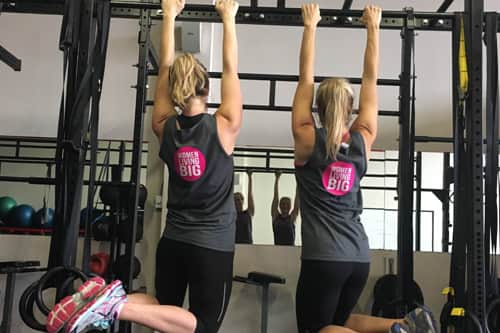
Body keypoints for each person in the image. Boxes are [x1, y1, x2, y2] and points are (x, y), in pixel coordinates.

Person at [46, 0, 242, 333]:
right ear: (207, 87)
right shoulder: (224, 126)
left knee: (161, 311)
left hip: (174, 241)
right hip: (212, 245)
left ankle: (99, 300)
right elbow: (231, 67)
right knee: (204, 325)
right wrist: (229, 18)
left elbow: (163, 68)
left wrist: (168, 18)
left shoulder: (164, 126)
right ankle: (113, 303)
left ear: (175, 93)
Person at [291, 3, 437, 333]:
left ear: (317, 107)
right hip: (358, 256)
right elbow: (370, 79)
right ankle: (400, 325)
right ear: (352, 108)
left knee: (319, 330)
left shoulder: (306, 138)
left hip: (324, 258)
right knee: (340, 323)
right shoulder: (363, 139)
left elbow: (305, 78)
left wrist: (310, 26)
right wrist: (374, 28)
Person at [271, 171, 299, 245]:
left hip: (290, 250)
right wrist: (277, 179)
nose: (285, 206)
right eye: (283, 204)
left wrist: (298, 180)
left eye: (287, 204)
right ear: (279, 205)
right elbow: (275, 197)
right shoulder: (275, 216)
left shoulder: (292, 217)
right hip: (278, 249)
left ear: (290, 206)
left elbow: (297, 199)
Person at [234, 170, 255, 244]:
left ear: (243, 201)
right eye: (236, 199)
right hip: (234, 244)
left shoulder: (248, 213)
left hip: (247, 245)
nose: (238, 201)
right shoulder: (231, 215)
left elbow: (250, 196)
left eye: (240, 199)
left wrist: (249, 177)